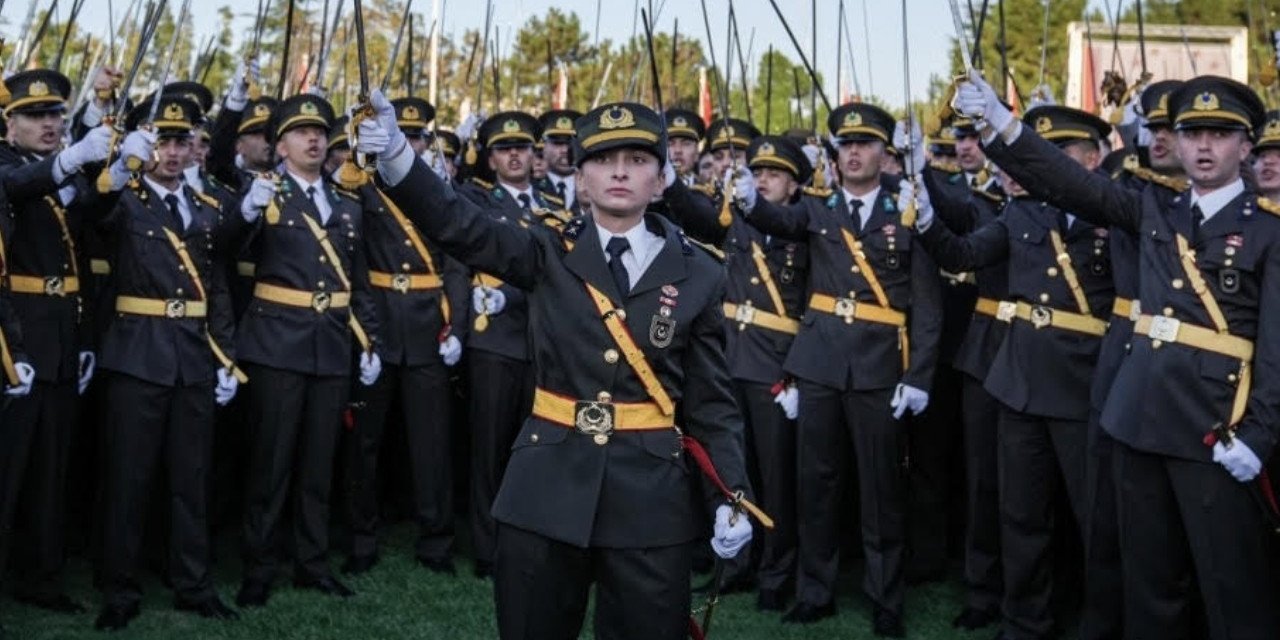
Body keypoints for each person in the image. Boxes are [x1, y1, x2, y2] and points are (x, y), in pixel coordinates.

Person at [358, 93, 754, 640]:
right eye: (602, 159)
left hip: (650, 500)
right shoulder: (545, 250)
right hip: (545, 490)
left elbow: (713, 404)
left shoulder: (701, 275)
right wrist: (399, 157)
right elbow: (458, 224)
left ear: (661, 181)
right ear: (580, 178)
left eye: (638, 160)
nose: (619, 170)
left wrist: (731, 493)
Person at [955, 71, 1280, 640]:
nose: (1204, 146)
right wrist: (1002, 125)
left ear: (1245, 146)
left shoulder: (1268, 230)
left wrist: (1259, 434)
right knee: (1152, 588)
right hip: (1140, 418)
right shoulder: (1154, 209)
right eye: (1192, 133)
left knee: (1233, 589)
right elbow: (1067, 181)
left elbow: (1276, 345)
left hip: (1217, 426)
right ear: (1175, 143)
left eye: (1220, 134)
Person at [912, 104, 1119, 640]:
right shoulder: (1022, 215)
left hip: (1085, 385)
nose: (1040, 167)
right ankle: (1025, 620)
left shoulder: (1115, 215)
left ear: (1092, 160)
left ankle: (1098, 620)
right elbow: (963, 253)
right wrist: (929, 219)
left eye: (1059, 155)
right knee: (1019, 514)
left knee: (1095, 519)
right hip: (1019, 383)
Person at [737, 102, 944, 637]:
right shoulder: (817, 209)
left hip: (879, 369)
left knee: (881, 492)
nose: (854, 153)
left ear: (884, 153)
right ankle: (815, 590)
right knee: (816, 486)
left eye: (865, 143)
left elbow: (926, 306)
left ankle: (885, 597)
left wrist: (919, 376)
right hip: (820, 366)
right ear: (834, 155)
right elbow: (777, 218)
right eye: (845, 145)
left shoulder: (906, 211)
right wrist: (746, 201)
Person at [91, 95, 241, 631]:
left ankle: (193, 584)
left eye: (182, 141)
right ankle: (119, 588)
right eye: (162, 141)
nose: (173, 152)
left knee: (190, 479)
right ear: (144, 145)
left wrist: (225, 354)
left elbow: (217, 287)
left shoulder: (205, 210)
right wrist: (115, 166)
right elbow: (89, 213)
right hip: (137, 353)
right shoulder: (123, 199)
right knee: (129, 479)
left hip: (193, 358)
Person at [232, 93, 383, 607]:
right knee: (270, 465)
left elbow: (357, 280)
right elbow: (226, 248)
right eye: (300, 132)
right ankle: (260, 566)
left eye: (320, 131)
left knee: (319, 464)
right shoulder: (264, 194)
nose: (314, 139)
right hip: (277, 342)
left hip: (331, 345)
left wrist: (369, 338)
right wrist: (246, 210)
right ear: (280, 146)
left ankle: (311, 563)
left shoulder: (345, 202)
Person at [340, 96, 470, 578]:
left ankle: (436, 540)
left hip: (427, 326)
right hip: (378, 321)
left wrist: (456, 326)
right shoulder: (364, 185)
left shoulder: (435, 191)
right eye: (405, 136)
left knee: (432, 443)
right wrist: (364, 331)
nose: (411, 144)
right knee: (366, 442)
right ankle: (361, 537)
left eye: (418, 138)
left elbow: (456, 262)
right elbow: (350, 258)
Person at [0, 68, 105, 617]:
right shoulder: (7, 165)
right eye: (36, 116)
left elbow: (80, 260)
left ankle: (41, 576)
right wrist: (68, 159)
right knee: (9, 466)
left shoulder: (64, 176)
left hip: (62, 333)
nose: (49, 124)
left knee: (50, 468)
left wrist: (84, 337)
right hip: (17, 333)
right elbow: (15, 188)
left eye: (56, 115)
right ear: (9, 123)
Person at [456, 111, 567, 578]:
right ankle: (487, 547)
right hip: (495, 340)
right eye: (504, 148)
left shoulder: (554, 201)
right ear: (490, 158)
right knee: (489, 449)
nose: (516, 155)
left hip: (540, 340)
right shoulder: (478, 199)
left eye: (522, 147)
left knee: (535, 450)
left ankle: (529, 541)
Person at [534, 109, 583, 213]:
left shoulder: (592, 187)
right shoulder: (530, 186)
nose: (565, 150)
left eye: (571, 144)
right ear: (544, 147)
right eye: (558, 143)